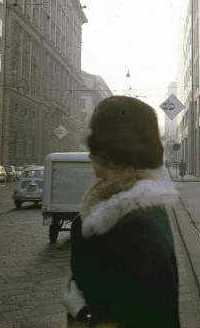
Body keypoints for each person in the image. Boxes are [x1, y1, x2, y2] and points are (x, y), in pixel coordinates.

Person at [63, 96, 180, 327]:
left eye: (94, 144)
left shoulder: (135, 226)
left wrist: (84, 313)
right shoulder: (132, 206)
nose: (89, 153)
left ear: (111, 150)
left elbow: (149, 317)